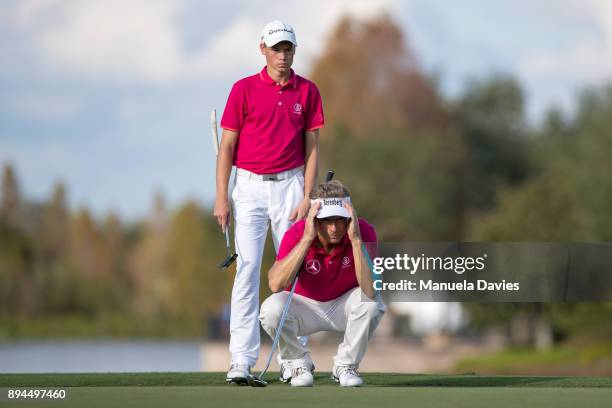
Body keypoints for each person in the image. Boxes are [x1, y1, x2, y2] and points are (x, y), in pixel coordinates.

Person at [214, 20, 324, 384]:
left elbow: (312, 148)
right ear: (263, 49)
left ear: (294, 50)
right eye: (276, 48)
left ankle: (294, 359)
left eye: (288, 48)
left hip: (291, 187)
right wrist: (221, 198)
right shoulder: (243, 89)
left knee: (293, 273)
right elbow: (227, 147)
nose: (282, 55)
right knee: (246, 271)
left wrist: (308, 196)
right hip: (247, 187)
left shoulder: (307, 91)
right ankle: (241, 361)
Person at [259, 180, 386, 387]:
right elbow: (275, 284)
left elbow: (371, 290)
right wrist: (307, 239)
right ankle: (298, 362)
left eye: (340, 220)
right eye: (326, 220)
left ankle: (345, 366)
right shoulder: (297, 233)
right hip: (304, 307)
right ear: (314, 219)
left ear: (349, 218)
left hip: (342, 306)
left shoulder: (364, 231)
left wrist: (355, 240)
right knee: (270, 310)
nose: (334, 228)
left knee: (373, 303)